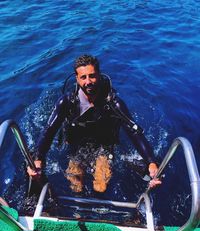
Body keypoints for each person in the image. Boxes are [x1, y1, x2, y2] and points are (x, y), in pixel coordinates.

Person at [27, 55, 161, 194]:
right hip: (76, 147)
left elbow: (133, 131)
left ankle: (99, 211)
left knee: (100, 187)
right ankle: (78, 213)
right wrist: (38, 158)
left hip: (104, 146)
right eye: (83, 77)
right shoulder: (67, 102)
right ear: (77, 79)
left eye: (92, 76)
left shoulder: (113, 103)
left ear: (99, 75)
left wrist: (151, 161)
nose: (88, 81)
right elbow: (49, 130)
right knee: (76, 188)